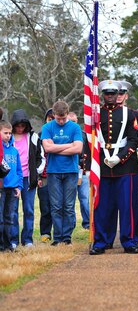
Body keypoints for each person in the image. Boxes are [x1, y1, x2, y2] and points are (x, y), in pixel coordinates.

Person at [90, 79, 138, 255]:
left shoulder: (129, 114)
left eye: (113, 93)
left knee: (126, 206)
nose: (110, 96)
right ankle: (101, 242)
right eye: (107, 94)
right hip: (102, 166)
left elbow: (134, 139)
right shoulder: (95, 115)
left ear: (119, 94)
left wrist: (120, 158)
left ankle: (129, 241)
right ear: (103, 95)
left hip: (124, 166)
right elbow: (92, 140)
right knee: (102, 206)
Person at [103, 80, 138, 249]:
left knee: (129, 205)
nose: (117, 96)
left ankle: (131, 238)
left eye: (120, 94)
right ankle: (105, 240)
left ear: (124, 95)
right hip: (105, 163)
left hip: (126, 164)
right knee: (106, 205)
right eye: (115, 93)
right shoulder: (99, 113)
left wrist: (129, 150)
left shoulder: (133, 114)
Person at [41, 100, 83, 246]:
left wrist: (56, 146)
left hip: (71, 171)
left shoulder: (75, 127)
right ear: (53, 115)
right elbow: (47, 148)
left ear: (67, 114)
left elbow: (78, 149)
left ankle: (67, 237)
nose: (61, 121)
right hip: (53, 172)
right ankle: (57, 237)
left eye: (63, 118)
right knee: (56, 205)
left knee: (69, 206)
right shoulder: (47, 127)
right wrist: (69, 145)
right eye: (58, 118)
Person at [10, 109, 45, 248]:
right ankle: (13, 240)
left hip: (29, 179)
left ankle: (28, 239)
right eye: (17, 126)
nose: (20, 129)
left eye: (22, 126)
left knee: (29, 209)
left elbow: (40, 157)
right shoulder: (8, 137)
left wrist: (36, 173)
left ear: (27, 125)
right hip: (13, 179)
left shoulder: (33, 137)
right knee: (12, 210)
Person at [0, 121, 23, 252]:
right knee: (1, 218)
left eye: (10, 133)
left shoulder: (14, 151)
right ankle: (1, 245)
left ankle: (9, 245)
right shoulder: (0, 150)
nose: (8, 135)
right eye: (5, 133)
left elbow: (19, 171)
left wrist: (19, 187)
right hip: (2, 187)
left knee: (9, 218)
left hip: (12, 188)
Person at [67, 111, 90, 230]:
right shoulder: (64, 136)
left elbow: (87, 152)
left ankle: (87, 223)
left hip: (83, 172)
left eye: (74, 122)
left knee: (85, 199)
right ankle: (71, 225)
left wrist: (82, 165)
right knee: (69, 201)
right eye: (70, 122)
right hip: (69, 171)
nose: (72, 124)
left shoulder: (84, 135)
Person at [37, 108, 54, 242]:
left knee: (59, 205)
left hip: (59, 173)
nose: (51, 121)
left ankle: (62, 233)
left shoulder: (62, 134)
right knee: (45, 206)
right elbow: (35, 158)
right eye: (49, 119)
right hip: (44, 175)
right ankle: (45, 233)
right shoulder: (39, 136)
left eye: (54, 119)